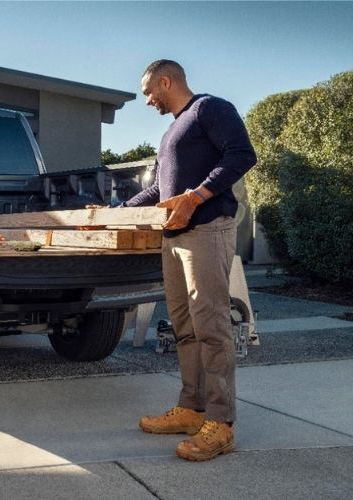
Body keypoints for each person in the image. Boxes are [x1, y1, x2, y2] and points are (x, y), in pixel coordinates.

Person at [124, 60, 257, 461]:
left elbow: (241, 154)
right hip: (173, 238)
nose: (147, 100)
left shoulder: (209, 109)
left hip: (206, 231)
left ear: (166, 81)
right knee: (183, 327)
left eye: (149, 92)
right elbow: (161, 191)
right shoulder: (170, 132)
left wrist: (197, 196)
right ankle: (191, 408)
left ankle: (221, 423)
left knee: (211, 326)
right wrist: (118, 210)